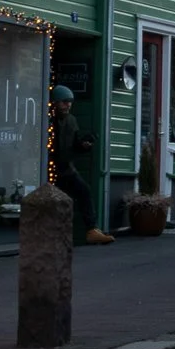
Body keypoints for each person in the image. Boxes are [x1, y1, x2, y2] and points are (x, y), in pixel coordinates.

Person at [48, 86, 110, 245]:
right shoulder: (47, 119)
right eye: (64, 102)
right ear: (54, 102)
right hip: (48, 168)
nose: (68, 105)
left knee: (84, 191)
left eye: (70, 102)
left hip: (67, 168)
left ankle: (91, 230)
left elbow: (75, 145)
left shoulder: (71, 120)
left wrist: (84, 145)